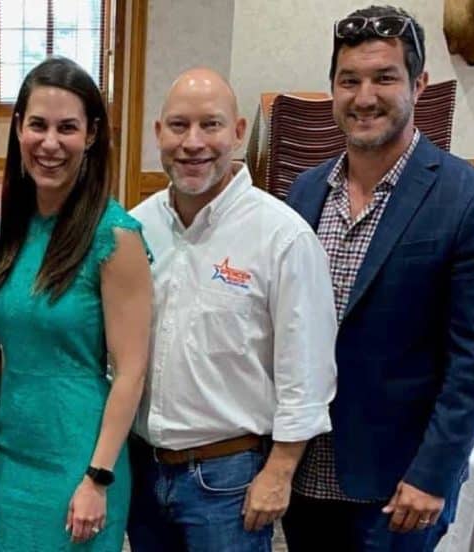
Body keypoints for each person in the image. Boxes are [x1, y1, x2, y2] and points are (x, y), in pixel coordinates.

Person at [282, 6, 474, 551]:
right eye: (349, 81)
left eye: (384, 78)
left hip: (399, 488)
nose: (365, 97)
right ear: (333, 90)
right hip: (305, 474)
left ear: (419, 84)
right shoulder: (304, 193)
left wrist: (434, 472)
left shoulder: (472, 199)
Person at [125, 67, 338, 552]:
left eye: (211, 125)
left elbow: (307, 370)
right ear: (158, 134)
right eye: (178, 126)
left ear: (238, 132)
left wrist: (280, 472)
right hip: (143, 469)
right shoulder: (136, 228)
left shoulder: (282, 237)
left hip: (227, 480)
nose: (193, 142)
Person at [0, 56, 153, 552]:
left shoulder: (115, 236)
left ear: (91, 134)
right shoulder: (7, 228)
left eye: (67, 128)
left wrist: (98, 477)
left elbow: (132, 370)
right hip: (12, 460)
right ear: (18, 129)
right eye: (38, 126)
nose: (50, 144)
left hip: (80, 461)